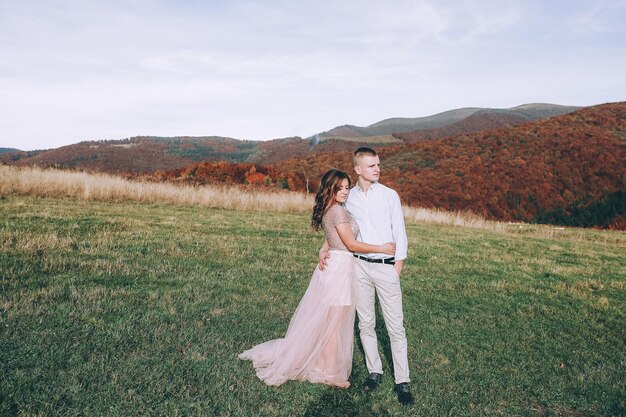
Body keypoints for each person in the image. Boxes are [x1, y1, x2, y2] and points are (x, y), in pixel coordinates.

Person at [239, 169, 395, 388]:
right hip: (339, 269)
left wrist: (323, 249)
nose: (344, 191)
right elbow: (351, 244)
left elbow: (332, 237)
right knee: (335, 322)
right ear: (329, 188)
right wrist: (382, 248)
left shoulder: (334, 209)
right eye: (339, 187)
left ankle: (325, 363)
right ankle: (331, 373)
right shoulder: (338, 212)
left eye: (346, 187)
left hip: (338, 266)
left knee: (333, 321)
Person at [319, 147, 414, 405]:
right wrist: (324, 246)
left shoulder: (390, 196)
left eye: (378, 165)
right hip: (358, 266)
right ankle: (375, 371)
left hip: (386, 267)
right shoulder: (348, 199)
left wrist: (396, 267)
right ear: (358, 169)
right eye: (372, 165)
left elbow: (400, 233)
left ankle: (402, 381)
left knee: (395, 327)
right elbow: (340, 228)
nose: (378, 169)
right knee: (366, 324)